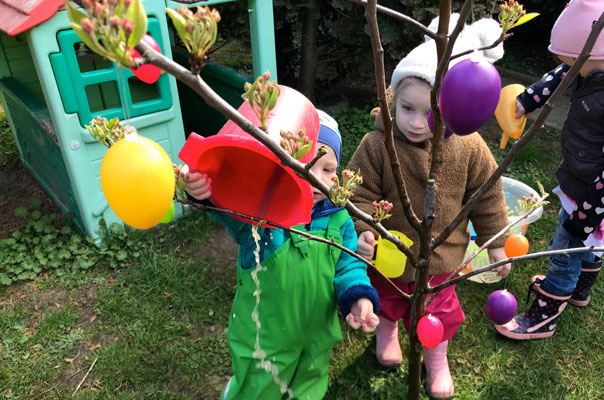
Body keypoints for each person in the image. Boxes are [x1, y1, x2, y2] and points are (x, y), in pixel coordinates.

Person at [347, 15, 511, 399]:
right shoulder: (378, 145)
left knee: (439, 317)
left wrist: (497, 242)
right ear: (392, 99)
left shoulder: (469, 149)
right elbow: (356, 192)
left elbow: (486, 196)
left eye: (430, 113)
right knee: (387, 302)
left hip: (441, 260)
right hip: (390, 257)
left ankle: (437, 360)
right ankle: (387, 333)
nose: (417, 123)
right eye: (406, 108)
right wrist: (366, 228)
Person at [185, 110, 380, 400]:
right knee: (256, 390)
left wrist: (359, 297)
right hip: (264, 341)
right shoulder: (263, 217)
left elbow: (349, 264)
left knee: (308, 389)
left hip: (316, 337)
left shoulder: (340, 220)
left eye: (328, 169)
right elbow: (229, 209)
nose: (317, 179)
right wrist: (204, 193)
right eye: (306, 164)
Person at [497, 0, 604, 340]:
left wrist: (587, 214)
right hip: (584, 181)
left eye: (572, 63)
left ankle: (543, 317)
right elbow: (560, 76)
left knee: (565, 248)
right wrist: (527, 99)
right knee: (589, 245)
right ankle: (579, 292)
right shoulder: (590, 69)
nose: (565, 68)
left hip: (592, 193)